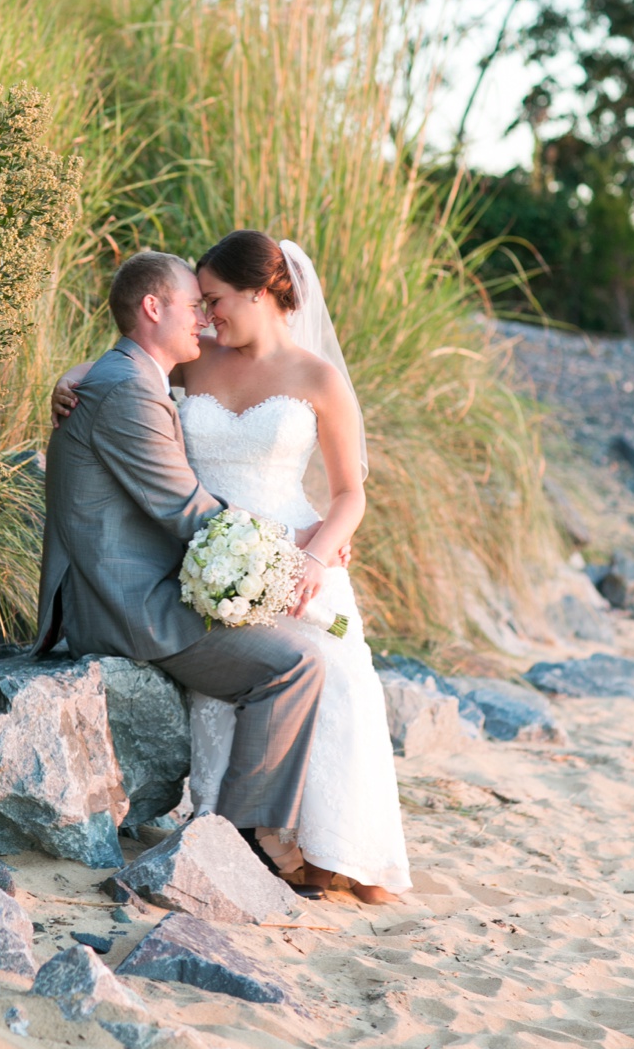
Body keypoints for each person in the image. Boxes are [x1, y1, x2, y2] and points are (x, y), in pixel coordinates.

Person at [52, 232, 411, 905]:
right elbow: (130, 372)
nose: (209, 314)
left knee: (330, 670)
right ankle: (242, 836)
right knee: (248, 680)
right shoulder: (201, 360)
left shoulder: (317, 377)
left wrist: (313, 553)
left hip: (288, 551)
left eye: (216, 299)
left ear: (259, 291)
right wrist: (66, 379)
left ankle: (323, 849)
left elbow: (349, 492)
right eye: (201, 302)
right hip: (205, 557)